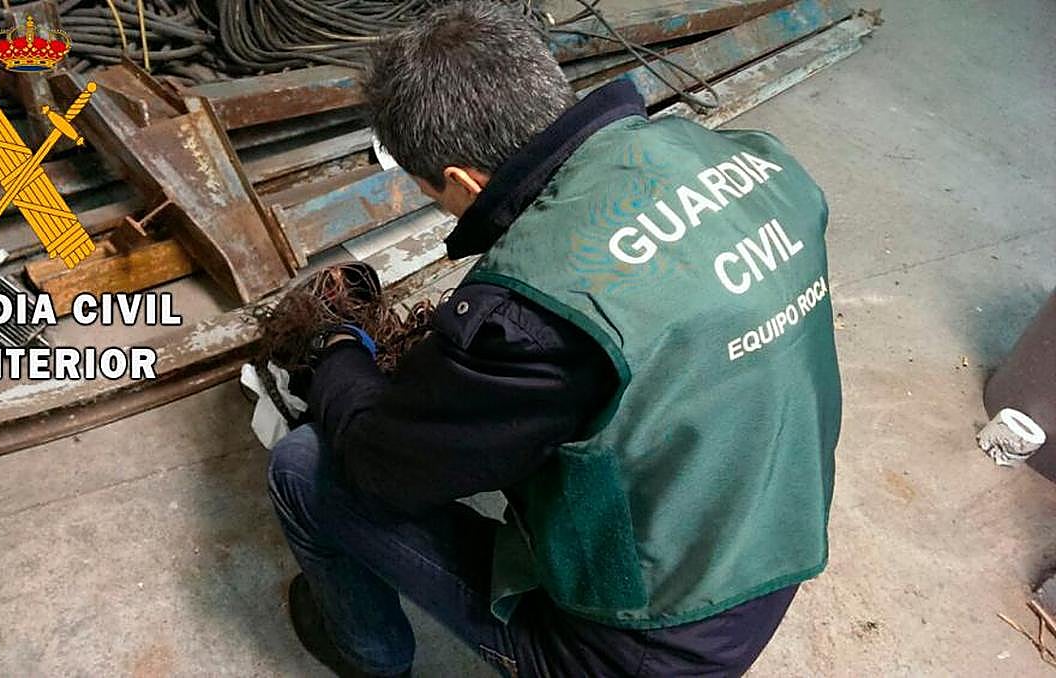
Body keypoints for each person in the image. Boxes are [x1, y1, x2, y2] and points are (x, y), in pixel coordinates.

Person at [265, 2, 842, 676]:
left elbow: (382, 465)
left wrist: (336, 353)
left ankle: (367, 651)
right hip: (775, 545)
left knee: (305, 468)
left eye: (430, 191)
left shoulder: (529, 316)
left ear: (460, 182)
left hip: (651, 647)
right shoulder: (740, 158)